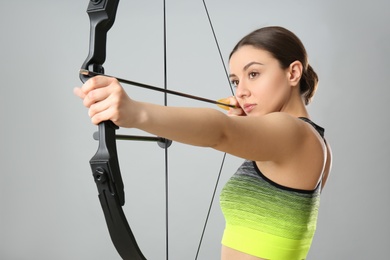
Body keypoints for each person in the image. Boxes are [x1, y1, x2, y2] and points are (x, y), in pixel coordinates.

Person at [74, 26, 332, 260]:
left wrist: (135, 113)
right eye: (235, 81)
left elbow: (220, 132)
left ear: (293, 72)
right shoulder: (312, 142)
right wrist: (249, 126)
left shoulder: (294, 133)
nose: (241, 91)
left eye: (253, 74)